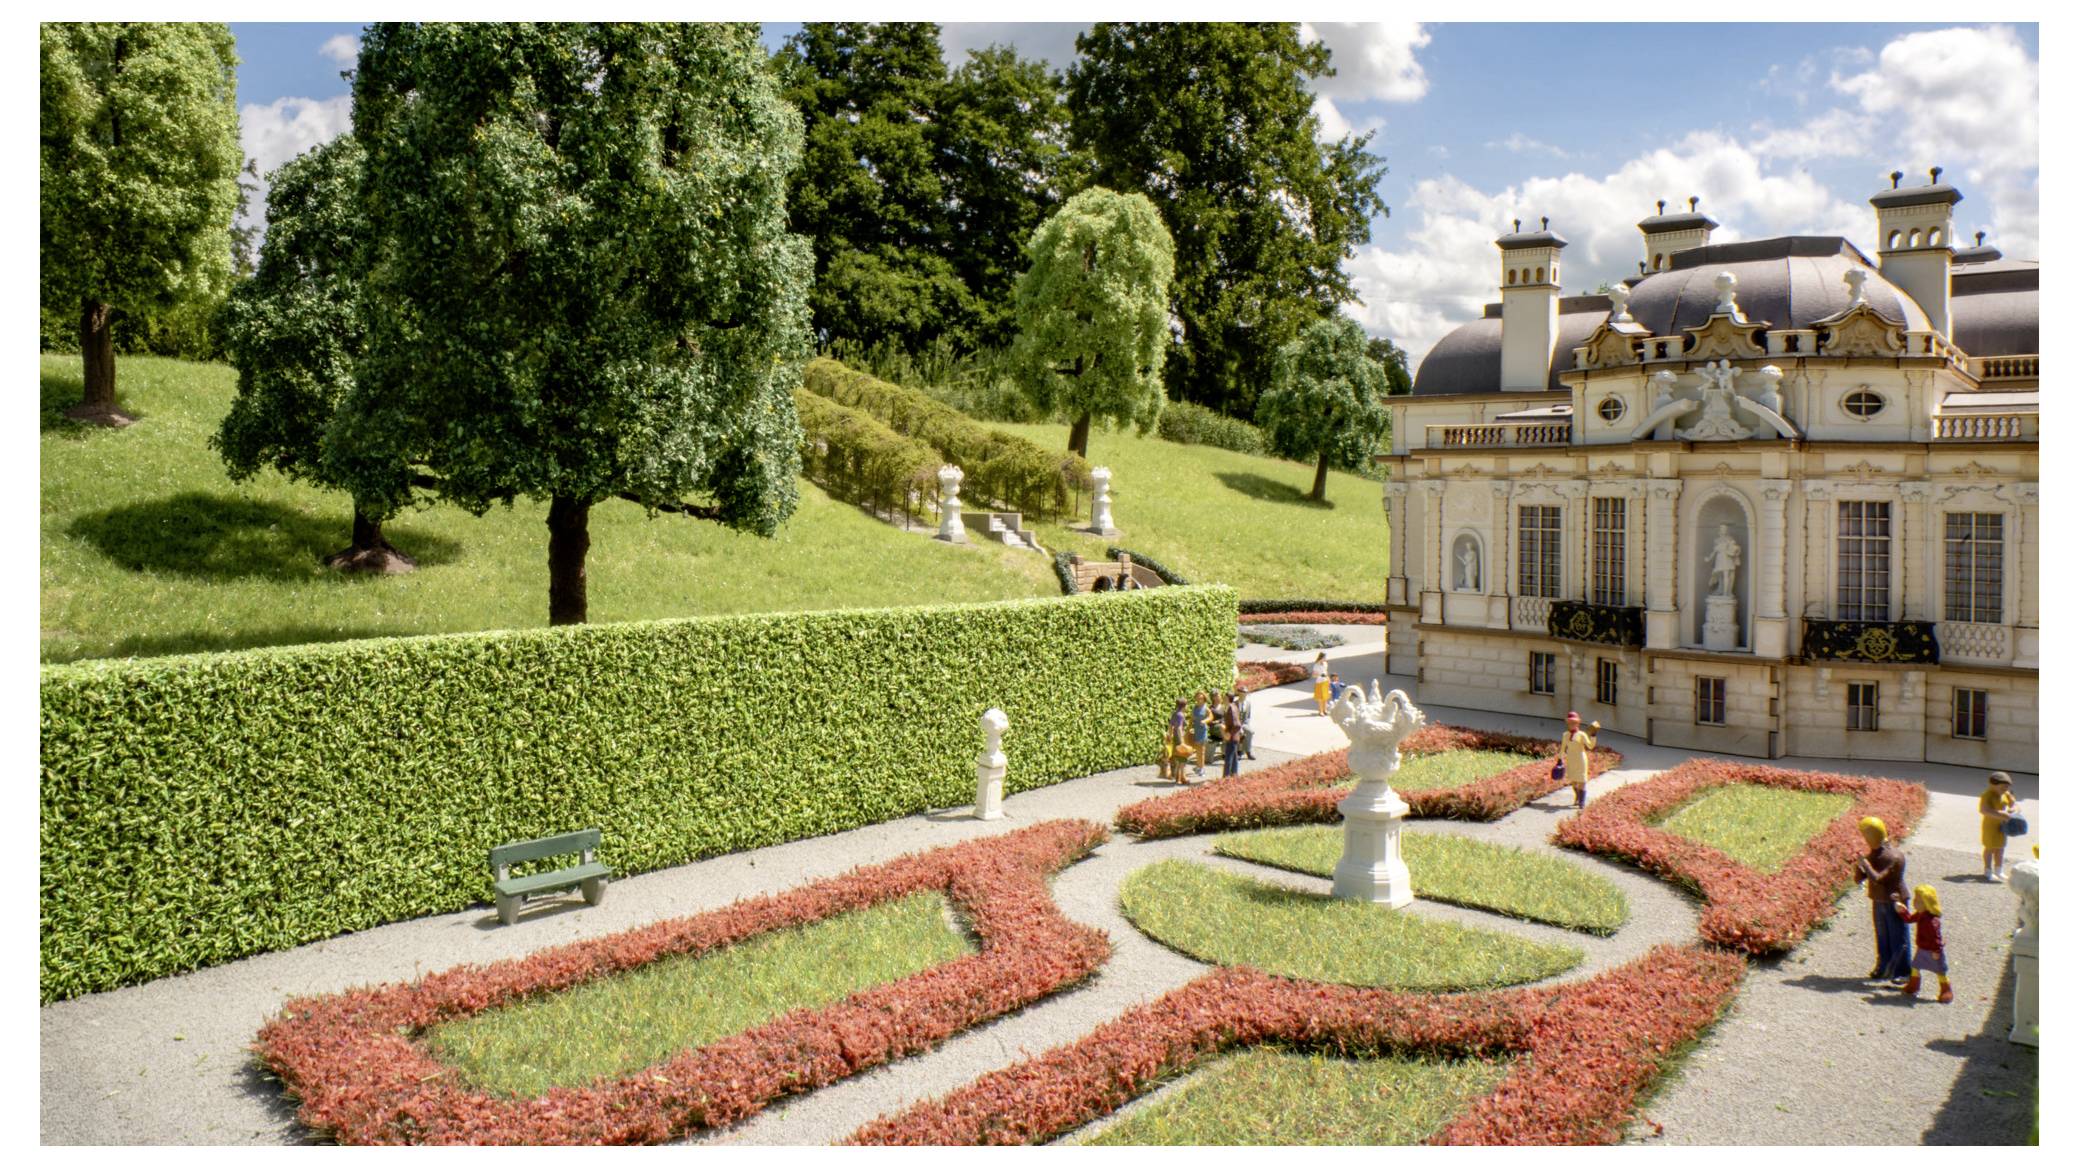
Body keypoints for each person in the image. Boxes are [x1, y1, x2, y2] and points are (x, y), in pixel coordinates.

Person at [1853, 816, 1913, 984]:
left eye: (1866, 836)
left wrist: (1865, 864)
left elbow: (1878, 878)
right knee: (1882, 935)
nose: (1864, 840)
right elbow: (1860, 879)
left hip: (1895, 901)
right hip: (1879, 900)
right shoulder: (1874, 855)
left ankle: (1903, 971)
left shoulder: (1893, 857)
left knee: (1898, 936)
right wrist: (1859, 868)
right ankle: (1884, 966)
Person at [1896, 884, 1953, 1003]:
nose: (1914, 903)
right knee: (1915, 967)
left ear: (1926, 902)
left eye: (1918, 900)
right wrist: (1903, 911)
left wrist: (1937, 950)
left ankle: (1946, 990)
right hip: (1922, 948)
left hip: (1932, 951)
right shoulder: (1921, 914)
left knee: (1940, 971)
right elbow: (1909, 919)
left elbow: (1936, 937)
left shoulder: (1932, 921)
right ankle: (1913, 986)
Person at [1979, 772, 2018, 881]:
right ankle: (1988, 870)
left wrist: (2013, 809)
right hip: (1990, 826)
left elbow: (2014, 804)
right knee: (1990, 848)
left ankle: (1999, 870)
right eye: (2002, 788)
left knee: (2000, 848)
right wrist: (2000, 814)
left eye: (2006, 788)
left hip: (2002, 827)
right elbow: (1983, 810)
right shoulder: (1987, 795)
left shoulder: (2006, 794)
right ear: (1993, 785)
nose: (2005, 790)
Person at [1559, 711, 1599, 809]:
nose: (1572, 724)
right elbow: (1563, 748)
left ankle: (1582, 802)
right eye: (1570, 722)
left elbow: (1590, 746)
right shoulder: (1565, 735)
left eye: (1574, 722)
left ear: (1578, 723)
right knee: (1574, 781)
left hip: (1581, 760)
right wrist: (1559, 760)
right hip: (1571, 760)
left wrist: (1593, 735)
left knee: (1582, 781)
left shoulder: (1582, 735)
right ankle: (1577, 796)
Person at [1164, 698, 1191, 784]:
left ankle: (1181, 777)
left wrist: (1170, 735)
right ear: (1184, 706)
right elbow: (1179, 728)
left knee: (1179, 759)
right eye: (1186, 705)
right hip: (1179, 738)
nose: (1187, 707)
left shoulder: (1174, 714)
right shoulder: (1180, 715)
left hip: (1175, 738)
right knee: (1182, 759)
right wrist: (1182, 741)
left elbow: (1170, 725)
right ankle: (1180, 778)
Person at [1220, 691, 1244, 777]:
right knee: (1234, 757)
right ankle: (1234, 774)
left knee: (1228, 758)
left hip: (1232, 737)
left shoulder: (1231, 708)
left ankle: (1226, 776)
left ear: (1227, 698)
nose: (1222, 699)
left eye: (1224, 697)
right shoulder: (1232, 706)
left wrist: (1229, 733)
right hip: (1234, 736)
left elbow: (1237, 725)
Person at [1189, 690, 1211, 777]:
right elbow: (1191, 718)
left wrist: (1205, 721)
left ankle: (1202, 769)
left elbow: (1211, 716)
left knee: (1201, 751)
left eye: (1201, 698)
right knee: (1197, 750)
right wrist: (1189, 727)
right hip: (1196, 730)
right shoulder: (1195, 707)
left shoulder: (1206, 708)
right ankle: (1198, 766)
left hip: (1202, 731)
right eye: (1197, 698)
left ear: (1204, 698)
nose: (1199, 699)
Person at [1235, 688, 1255, 760]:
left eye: (1245, 693)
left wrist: (1245, 725)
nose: (1244, 695)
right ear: (1239, 693)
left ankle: (1248, 752)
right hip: (1235, 724)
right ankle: (1239, 752)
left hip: (1244, 724)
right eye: (1242, 693)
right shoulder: (1234, 704)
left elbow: (1248, 716)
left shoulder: (1248, 703)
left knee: (1250, 732)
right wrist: (1239, 727)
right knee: (1239, 733)